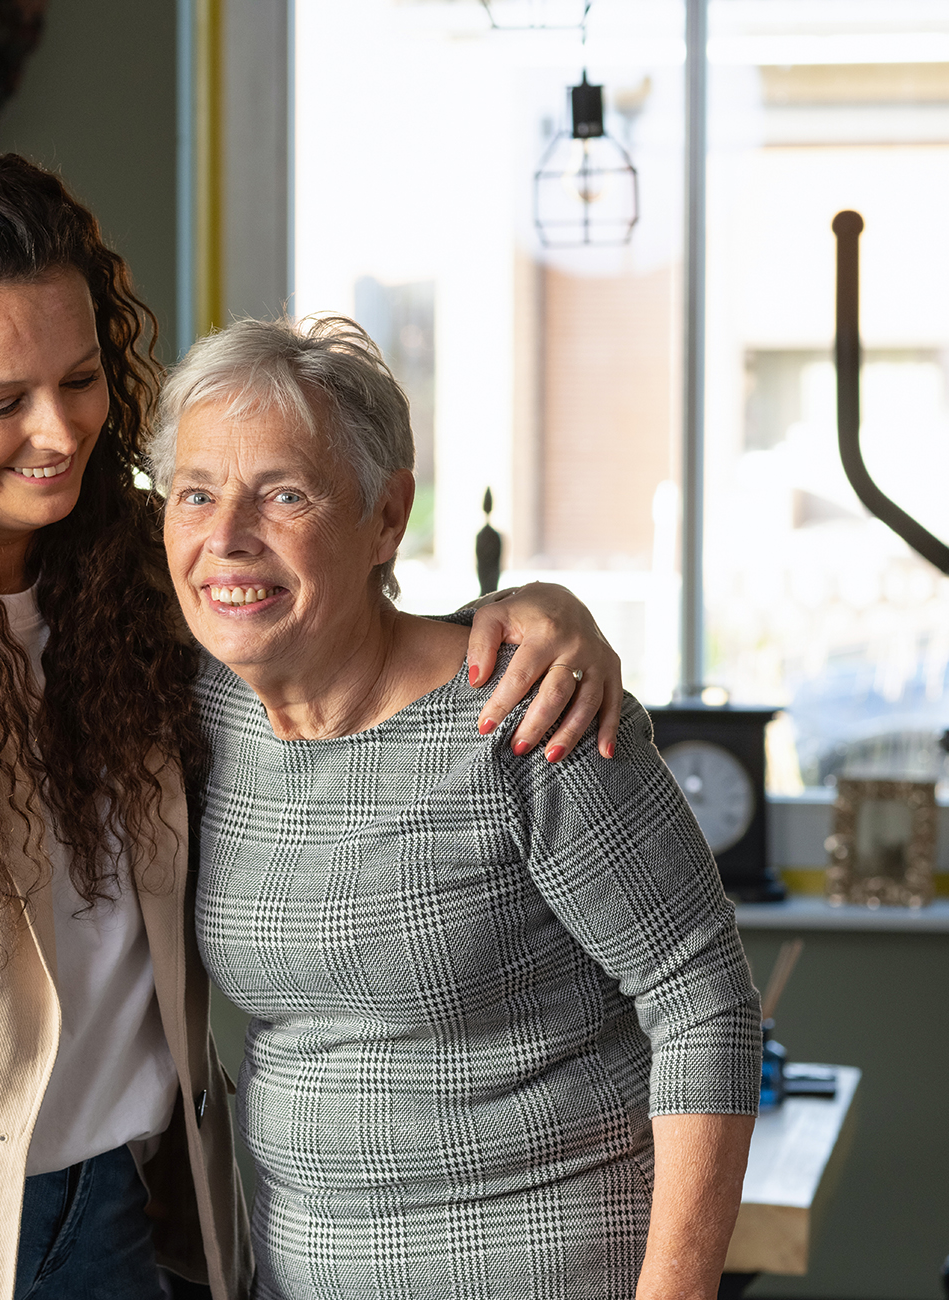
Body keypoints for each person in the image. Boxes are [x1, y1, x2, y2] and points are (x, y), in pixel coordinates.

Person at [0, 147, 624, 1300]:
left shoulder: (149, 568)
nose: (58, 434)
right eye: (0, 402)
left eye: (81, 379)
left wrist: (528, 617)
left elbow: (341, 631)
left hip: (120, 1212)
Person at [155, 316, 761, 1300]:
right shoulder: (201, 704)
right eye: (194, 492)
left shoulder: (527, 714)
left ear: (384, 517)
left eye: (282, 493)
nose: (225, 536)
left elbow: (705, 1002)